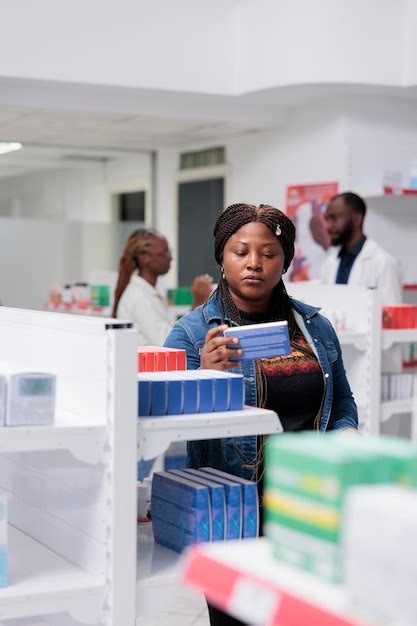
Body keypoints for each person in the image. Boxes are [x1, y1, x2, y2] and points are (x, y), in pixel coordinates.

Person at [164, 203, 358, 626]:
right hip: (235, 517)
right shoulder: (192, 333)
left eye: (269, 253)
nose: (255, 263)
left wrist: (346, 434)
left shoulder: (314, 327)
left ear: (285, 260)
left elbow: (341, 399)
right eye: (241, 251)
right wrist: (203, 378)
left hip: (308, 508)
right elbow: (161, 417)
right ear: (222, 257)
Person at [112, 228, 212, 345]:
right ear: (144, 257)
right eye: (164, 252)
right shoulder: (140, 298)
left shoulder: (148, 292)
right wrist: (198, 305)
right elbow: (171, 343)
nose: (170, 257)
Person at [321, 192, 402, 304]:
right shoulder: (330, 262)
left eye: (334, 218)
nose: (328, 226)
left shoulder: (384, 263)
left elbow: (392, 316)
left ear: (357, 220)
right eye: (327, 219)